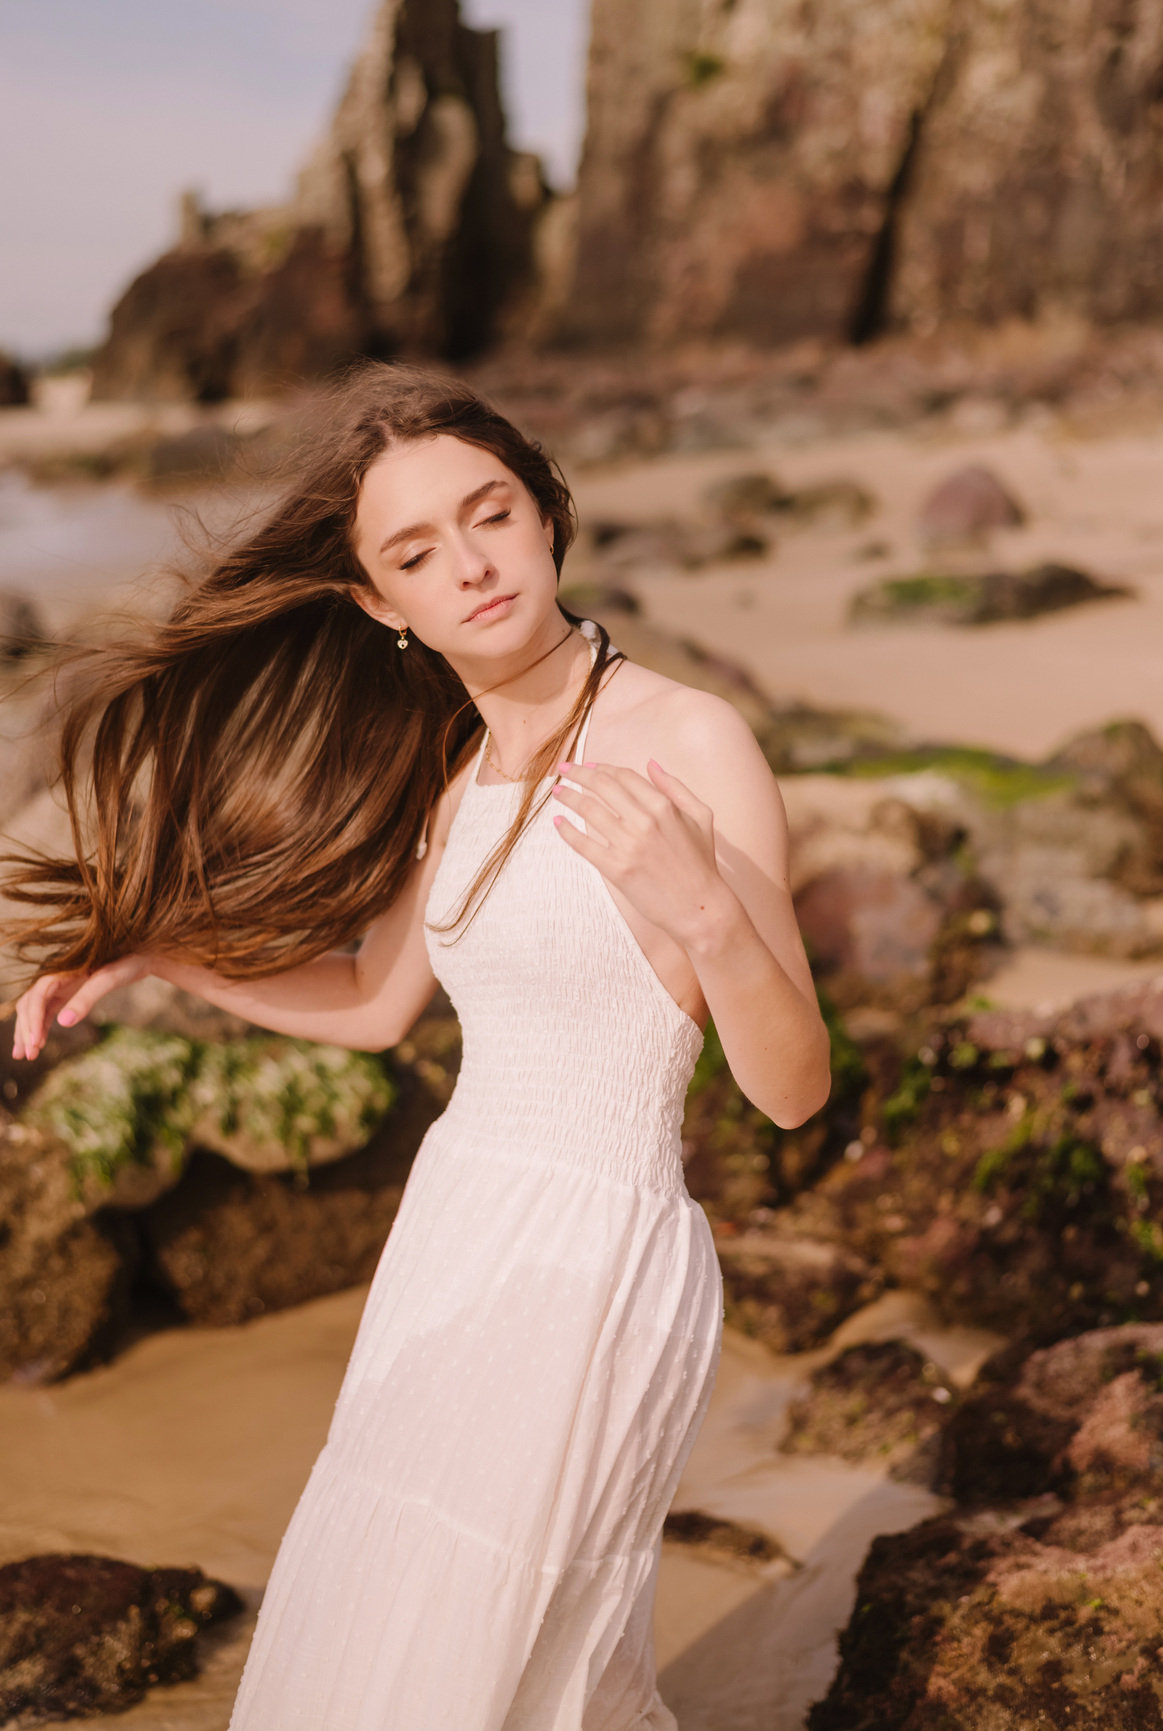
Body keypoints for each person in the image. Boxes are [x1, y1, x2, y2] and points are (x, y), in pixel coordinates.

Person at [9, 366, 830, 1729]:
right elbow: (377, 1005)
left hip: (599, 1253)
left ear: (546, 513)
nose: (471, 562)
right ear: (381, 604)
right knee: (397, 1626)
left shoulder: (691, 738)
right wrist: (156, 955)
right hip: (454, 1238)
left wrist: (710, 914)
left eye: (490, 512)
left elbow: (792, 1092)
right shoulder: (450, 778)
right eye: (415, 551)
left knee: (496, 1657)